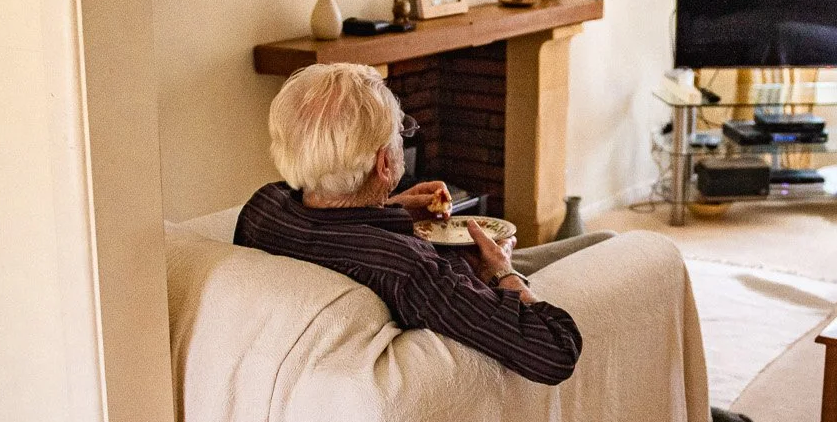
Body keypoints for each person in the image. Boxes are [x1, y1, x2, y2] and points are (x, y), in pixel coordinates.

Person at [235, 63, 603, 385]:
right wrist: (502, 272)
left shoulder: (263, 209)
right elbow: (555, 350)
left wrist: (392, 206)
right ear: (383, 164)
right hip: (476, 283)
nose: (402, 142)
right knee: (604, 239)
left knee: (597, 241)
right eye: (399, 135)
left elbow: (328, 225)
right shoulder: (408, 269)